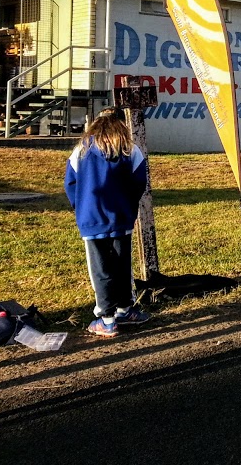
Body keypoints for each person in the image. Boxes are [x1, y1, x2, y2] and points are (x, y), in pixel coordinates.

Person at [64, 109, 150, 337]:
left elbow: (70, 183)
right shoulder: (130, 149)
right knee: (123, 264)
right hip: (121, 217)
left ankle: (106, 318)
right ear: (122, 125)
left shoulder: (81, 149)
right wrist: (129, 205)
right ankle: (125, 308)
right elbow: (140, 182)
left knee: (100, 269)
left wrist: (79, 206)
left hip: (91, 218)